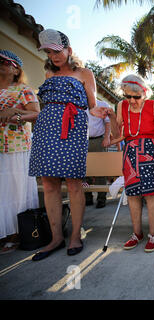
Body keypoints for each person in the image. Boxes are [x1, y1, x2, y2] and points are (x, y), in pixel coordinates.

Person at [28, 29, 109, 261]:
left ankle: (75, 235)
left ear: (68, 50)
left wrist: (102, 112)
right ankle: (56, 237)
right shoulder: (48, 73)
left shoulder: (84, 73)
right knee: (49, 183)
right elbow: (47, 104)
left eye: (57, 50)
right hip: (46, 127)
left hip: (73, 127)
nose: (54, 56)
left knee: (74, 183)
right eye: (49, 52)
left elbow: (92, 105)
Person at [107, 74, 154, 253]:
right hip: (131, 152)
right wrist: (112, 117)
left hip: (152, 152)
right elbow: (117, 133)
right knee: (133, 194)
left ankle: (153, 235)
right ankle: (136, 233)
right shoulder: (121, 106)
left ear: (144, 93)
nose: (132, 100)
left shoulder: (152, 105)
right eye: (127, 96)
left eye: (136, 97)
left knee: (152, 194)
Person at [0, 50, 40, 254]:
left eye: (5, 62)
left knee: (15, 189)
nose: (1, 65)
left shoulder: (23, 90)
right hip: (0, 146)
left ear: (16, 69)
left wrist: (15, 113)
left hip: (16, 146)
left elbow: (36, 114)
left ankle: (16, 233)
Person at [84, 99, 111, 209]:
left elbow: (108, 122)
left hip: (98, 140)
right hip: (82, 141)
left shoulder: (103, 104)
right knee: (85, 171)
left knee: (100, 171)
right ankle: (87, 197)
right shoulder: (79, 102)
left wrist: (106, 138)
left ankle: (101, 198)